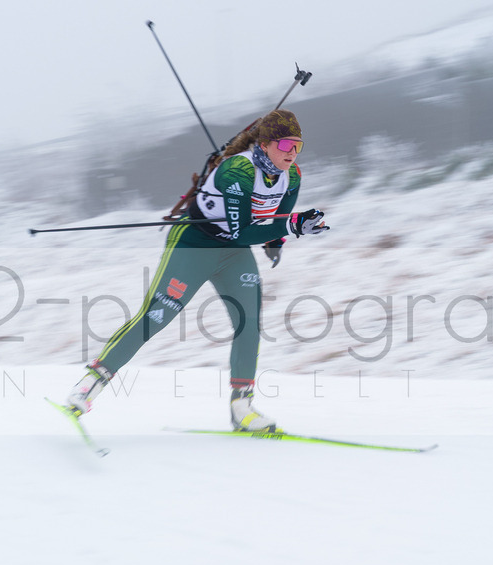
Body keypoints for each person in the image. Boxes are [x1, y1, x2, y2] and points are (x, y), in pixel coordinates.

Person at [65, 109, 329, 432]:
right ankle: (90, 383)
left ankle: (241, 407)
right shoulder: (239, 171)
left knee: (248, 322)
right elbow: (242, 231)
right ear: (265, 143)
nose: (292, 153)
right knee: (157, 316)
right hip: (194, 243)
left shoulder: (293, 176)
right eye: (287, 144)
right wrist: (294, 224)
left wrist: (279, 241)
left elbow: (278, 218)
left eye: (298, 146)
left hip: (233, 253)